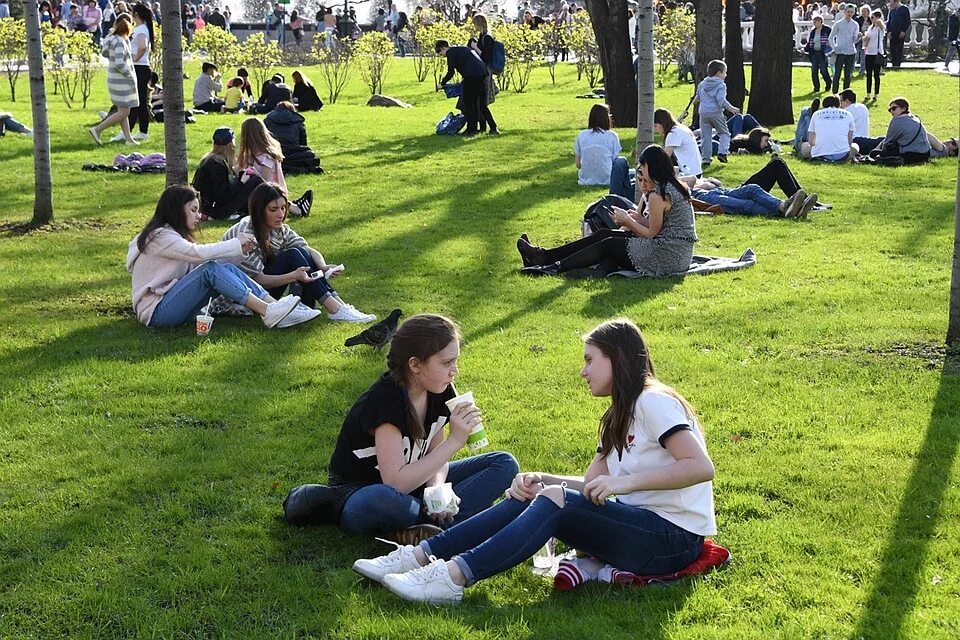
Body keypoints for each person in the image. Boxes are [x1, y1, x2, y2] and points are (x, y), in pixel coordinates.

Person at [354, 318, 716, 605]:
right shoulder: (616, 416)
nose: (583, 371)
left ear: (617, 359)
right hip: (642, 530)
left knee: (553, 499)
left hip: (673, 541)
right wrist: (540, 478)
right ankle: (419, 556)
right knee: (537, 492)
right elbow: (588, 486)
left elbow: (700, 467)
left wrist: (623, 484)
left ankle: (452, 578)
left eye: (590, 360)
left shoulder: (653, 401)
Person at [313, 314, 520, 540]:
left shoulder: (440, 389)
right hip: (362, 494)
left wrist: (437, 490)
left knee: (504, 463)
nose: (455, 371)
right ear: (415, 364)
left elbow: (434, 456)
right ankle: (453, 525)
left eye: (455, 361)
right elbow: (395, 483)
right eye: (446, 362)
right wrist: (455, 441)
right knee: (385, 498)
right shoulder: (385, 401)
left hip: (415, 486)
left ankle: (433, 525)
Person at [127, 185, 311, 330]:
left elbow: (197, 264)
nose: (198, 216)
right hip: (156, 312)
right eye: (193, 210)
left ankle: (279, 309)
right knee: (210, 270)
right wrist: (236, 243)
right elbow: (197, 254)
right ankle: (267, 311)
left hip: (173, 305)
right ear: (176, 210)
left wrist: (240, 252)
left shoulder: (171, 236)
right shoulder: (160, 236)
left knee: (225, 268)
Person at [520, 145, 697, 278]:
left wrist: (628, 222)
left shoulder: (659, 194)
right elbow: (661, 226)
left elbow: (651, 234)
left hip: (667, 256)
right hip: (676, 253)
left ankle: (552, 267)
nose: (642, 182)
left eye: (644, 172)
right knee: (604, 234)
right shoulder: (672, 186)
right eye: (639, 175)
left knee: (610, 243)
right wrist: (635, 218)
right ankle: (544, 256)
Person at [221, 182, 377, 323]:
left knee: (300, 252)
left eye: (283, 208)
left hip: (260, 290)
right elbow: (259, 280)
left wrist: (323, 267)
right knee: (293, 255)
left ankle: (338, 305)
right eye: (273, 209)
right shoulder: (246, 233)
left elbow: (307, 249)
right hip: (240, 297)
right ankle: (334, 309)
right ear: (259, 211)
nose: (280, 214)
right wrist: (293, 276)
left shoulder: (278, 228)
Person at [192, 127, 263, 220]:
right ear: (230, 145)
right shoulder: (217, 164)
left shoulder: (210, 159)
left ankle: (272, 203)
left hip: (209, 207)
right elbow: (223, 196)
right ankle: (274, 200)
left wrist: (240, 177)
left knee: (251, 186)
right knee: (255, 179)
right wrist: (241, 181)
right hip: (215, 210)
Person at [89, 13, 139, 146]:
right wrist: (129, 74)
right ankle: (97, 129)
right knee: (125, 111)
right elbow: (119, 63)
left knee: (122, 110)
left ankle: (128, 139)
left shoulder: (111, 39)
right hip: (121, 81)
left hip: (114, 79)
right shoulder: (119, 42)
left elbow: (106, 53)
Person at [685, 177, 817, 219]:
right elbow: (690, 180)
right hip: (702, 196)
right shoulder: (667, 180)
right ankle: (790, 208)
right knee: (746, 204)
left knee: (752, 188)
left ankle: (786, 207)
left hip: (719, 190)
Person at [436, 39, 490, 137]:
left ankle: (471, 129)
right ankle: (481, 127)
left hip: (472, 75)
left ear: (443, 48)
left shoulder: (450, 53)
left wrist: (442, 83)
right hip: (482, 73)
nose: (442, 55)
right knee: (478, 102)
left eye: (440, 53)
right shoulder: (461, 49)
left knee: (469, 103)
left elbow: (451, 72)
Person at [696, 59, 739, 166]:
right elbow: (721, 100)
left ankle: (705, 159)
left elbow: (698, 97)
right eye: (725, 72)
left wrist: (694, 101)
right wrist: (731, 108)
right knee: (724, 133)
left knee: (706, 137)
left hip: (703, 113)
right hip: (715, 113)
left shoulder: (702, 84)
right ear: (719, 73)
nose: (726, 74)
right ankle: (722, 153)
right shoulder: (721, 85)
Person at [121, 3, 153, 142]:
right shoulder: (142, 28)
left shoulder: (141, 29)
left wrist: (133, 59)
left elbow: (142, 46)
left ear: (135, 14)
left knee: (135, 101)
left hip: (139, 68)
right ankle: (142, 131)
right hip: (141, 68)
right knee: (140, 100)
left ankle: (128, 131)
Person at [264, 101, 323, 174]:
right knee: (309, 154)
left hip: (275, 152)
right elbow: (303, 143)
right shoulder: (298, 122)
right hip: (293, 152)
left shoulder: (267, 120)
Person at [573, 104, 621, 186]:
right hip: (608, 179)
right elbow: (615, 162)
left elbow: (578, 164)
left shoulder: (581, 135)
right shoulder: (612, 136)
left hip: (585, 179)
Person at [872, 97, 931, 164]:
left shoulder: (897, 121)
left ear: (903, 108)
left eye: (894, 108)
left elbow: (887, 142)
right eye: (889, 110)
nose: (891, 111)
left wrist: (877, 153)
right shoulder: (915, 118)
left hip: (911, 156)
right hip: (926, 154)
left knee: (877, 152)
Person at [468, 14, 499, 134]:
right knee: (480, 102)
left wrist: (475, 47)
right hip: (480, 71)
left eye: (475, 23)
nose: (474, 26)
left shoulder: (487, 37)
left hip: (485, 72)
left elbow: (486, 57)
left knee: (482, 102)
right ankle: (483, 127)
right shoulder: (482, 36)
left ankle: (493, 127)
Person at [801, 94, 856, 162]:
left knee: (804, 146)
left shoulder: (816, 114)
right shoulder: (848, 114)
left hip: (820, 155)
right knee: (855, 146)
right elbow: (850, 142)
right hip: (842, 156)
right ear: (839, 104)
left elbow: (811, 141)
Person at [654, 108, 701, 177]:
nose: (655, 129)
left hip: (690, 172)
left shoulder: (673, 133)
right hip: (695, 169)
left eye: (656, 126)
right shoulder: (680, 128)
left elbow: (665, 157)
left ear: (663, 123)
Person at [830, 4, 859, 93]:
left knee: (848, 75)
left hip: (851, 52)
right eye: (848, 12)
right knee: (837, 74)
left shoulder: (855, 24)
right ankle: (834, 94)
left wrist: (859, 37)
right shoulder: (838, 24)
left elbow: (855, 40)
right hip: (840, 52)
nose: (850, 14)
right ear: (845, 12)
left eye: (852, 12)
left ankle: (846, 95)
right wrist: (835, 48)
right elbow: (831, 37)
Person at [804, 16, 833, 93]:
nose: (814, 23)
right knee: (814, 70)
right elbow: (810, 41)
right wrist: (806, 49)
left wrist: (829, 45)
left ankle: (828, 83)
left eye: (815, 22)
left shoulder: (827, 29)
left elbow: (832, 38)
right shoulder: (813, 31)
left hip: (823, 52)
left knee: (823, 70)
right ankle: (816, 87)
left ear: (820, 21)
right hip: (814, 53)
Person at [862, 10, 885, 100]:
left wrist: (879, 21)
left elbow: (882, 27)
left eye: (873, 17)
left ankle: (876, 94)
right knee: (868, 75)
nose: (871, 19)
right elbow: (866, 39)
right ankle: (868, 93)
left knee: (876, 75)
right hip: (869, 52)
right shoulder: (870, 27)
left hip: (877, 53)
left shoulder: (880, 28)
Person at [886, 0, 910, 69]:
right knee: (892, 49)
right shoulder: (892, 10)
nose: (890, 3)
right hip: (892, 33)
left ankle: (897, 64)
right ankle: (893, 63)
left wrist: (903, 31)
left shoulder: (904, 9)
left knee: (899, 48)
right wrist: (889, 31)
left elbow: (907, 21)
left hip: (900, 33)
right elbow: (889, 22)